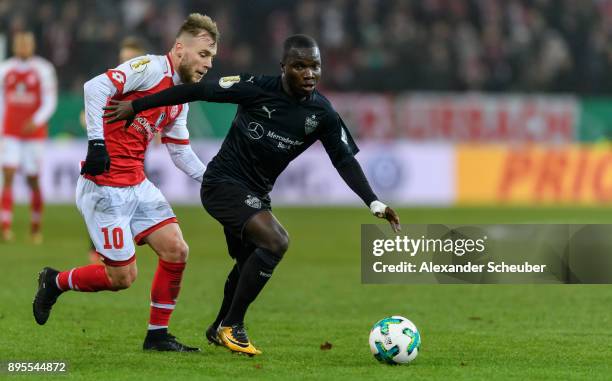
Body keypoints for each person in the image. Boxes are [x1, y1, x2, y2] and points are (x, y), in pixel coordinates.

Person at [104, 34, 401, 356]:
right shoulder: (255, 87)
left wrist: (373, 201)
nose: (309, 73)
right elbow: (197, 90)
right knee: (276, 241)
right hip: (222, 185)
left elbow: (343, 159)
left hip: (257, 193)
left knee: (248, 261)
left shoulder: (323, 114)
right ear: (284, 67)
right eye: (299, 66)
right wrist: (136, 104)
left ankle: (219, 328)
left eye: (314, 66)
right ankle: (233, 325)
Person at [33, 13, 219, 352]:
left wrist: (216, 179)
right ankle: (54, 282)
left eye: (212, 58)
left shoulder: (181, 97)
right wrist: (97, 144)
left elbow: (180, 151)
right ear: (180, 49)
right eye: (203, 54)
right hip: (103, 187)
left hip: (137, 184)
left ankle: (157, 336)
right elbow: (94, 87)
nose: (208, 64)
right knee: (123, 278)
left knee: (177, 250)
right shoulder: (150, 68)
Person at [84, 36, 148, 264]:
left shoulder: (147, 90)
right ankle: (97, 248)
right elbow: (89, 108)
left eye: (131, 60)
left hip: (135, 158)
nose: (126, 64)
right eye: (123, 60)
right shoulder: (109, 84)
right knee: (102, 202)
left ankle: (121, 246)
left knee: (130, 204)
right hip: (106, 155)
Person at [0, 30, 58, 243]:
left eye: (27, 43)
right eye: (20, 43)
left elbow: (50, 100)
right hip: (10, 132)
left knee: (32, 178)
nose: (23, 47)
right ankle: (5, 225)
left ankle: (35, 226)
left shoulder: (43, 69)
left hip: (33, 134)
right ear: (15, 46)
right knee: (7, 174)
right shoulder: (5, 69)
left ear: (32, 45)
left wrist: (37, 119)